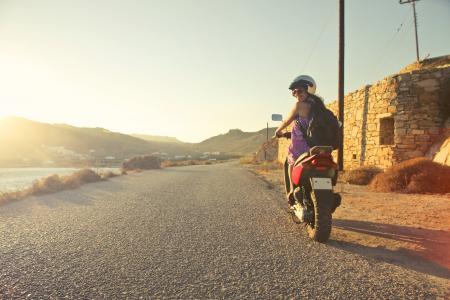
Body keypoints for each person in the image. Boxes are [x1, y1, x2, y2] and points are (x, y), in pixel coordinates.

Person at [275, 75, 340, 206]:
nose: (296, 94)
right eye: (293, 92)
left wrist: (278, 131)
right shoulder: (320, 107)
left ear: (307, 90)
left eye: (299, 91)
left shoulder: (299, 106)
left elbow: (287, 120)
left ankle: (293, 192)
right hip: (318, 147)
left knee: (290, 160)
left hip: (302, 148)